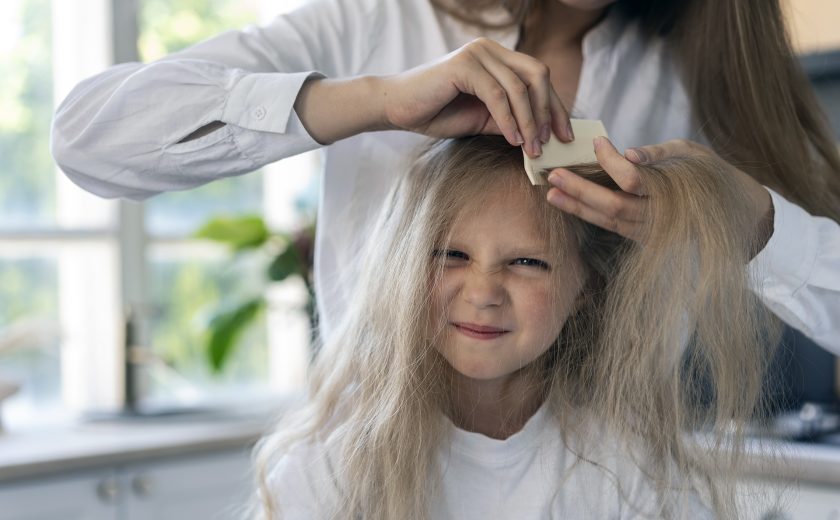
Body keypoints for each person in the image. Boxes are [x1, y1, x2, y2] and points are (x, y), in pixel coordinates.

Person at [50, 0, 840, 354]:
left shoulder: (700, 85)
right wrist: (372, 102)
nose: (486, 290)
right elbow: (90, 140)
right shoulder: (367, 24)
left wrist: (757, 228)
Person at [246, 134, 782, 519]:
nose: (483, 292)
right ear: (401, 271)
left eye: (527, 262)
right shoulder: (333, 464)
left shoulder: (629, 469)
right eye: (452, 255)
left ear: (584, 290)